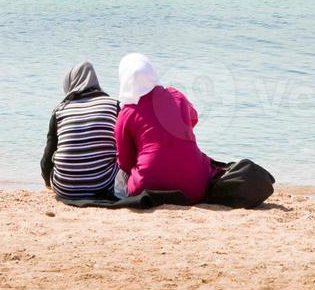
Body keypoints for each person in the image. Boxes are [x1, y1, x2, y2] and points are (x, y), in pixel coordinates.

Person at [114, 53, 213, 203]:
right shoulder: (177, 96)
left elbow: (125, 163)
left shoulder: (127, 113)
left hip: (146, 186)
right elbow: (193, 119)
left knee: (120, 178)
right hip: (195, 187)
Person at [40, 62, 121, 202]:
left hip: (64, 187)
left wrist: (48, 181)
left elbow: (48, 156)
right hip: (104, 185)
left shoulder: (60, 110)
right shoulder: (113, 105)